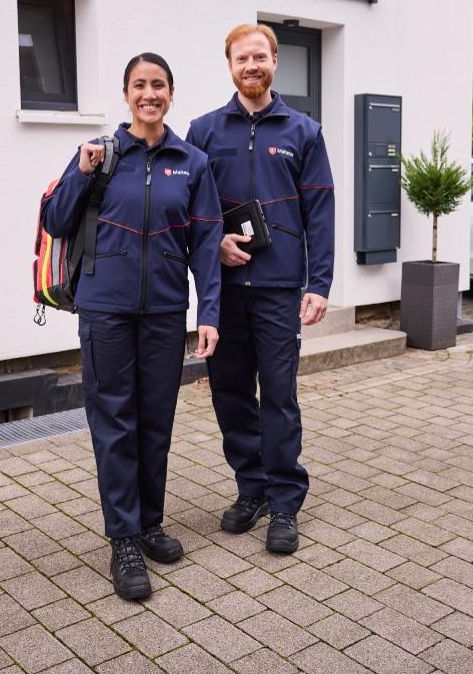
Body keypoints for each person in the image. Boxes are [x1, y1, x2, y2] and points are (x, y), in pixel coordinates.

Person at [42, 53, 223, 599]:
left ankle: (150, 523)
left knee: (156, 422)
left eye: (159, 85)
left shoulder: (192, 162)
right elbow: (56, 221)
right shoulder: (100, 155)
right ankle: (122, 538)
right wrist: (81, 171)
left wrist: (208, 312)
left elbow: (208, 243)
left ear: (171, 93)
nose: (150, 94)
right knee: (115, 423)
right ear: (126, 94)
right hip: (106, 312)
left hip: (165, 313)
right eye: (140, 85)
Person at [186, 24, 335, 554]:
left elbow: (319, 210)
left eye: (260, 57)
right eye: (241, 59)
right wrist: (214, 244)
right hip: (223, 292)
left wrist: (318, 283)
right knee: (229, 395)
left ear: (275, 61)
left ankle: (286, 499)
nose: (251, 66)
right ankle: (251, 489)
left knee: (278, 395)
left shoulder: (303, 132)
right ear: (229, 66)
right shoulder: (202, 131)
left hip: (277, 289)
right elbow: (189, 210)